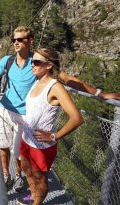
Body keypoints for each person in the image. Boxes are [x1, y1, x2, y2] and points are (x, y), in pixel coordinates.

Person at [0, 26, 120, 192]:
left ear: (30, 41)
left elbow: (67, 79)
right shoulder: (8, 60)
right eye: (14, 40)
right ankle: (6, 174)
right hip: (5, 107)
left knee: (16, 150)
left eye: (20, 39)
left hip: (25, 114)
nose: (16, 43)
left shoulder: (38, 62)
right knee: (3, 146)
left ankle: (17, 175)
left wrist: (100, 94)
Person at [17, 48, 84, 204]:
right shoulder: (37, 81)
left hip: (41, 146)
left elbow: (77, 118)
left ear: (49, 65)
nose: (32, 65)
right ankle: (33, 196)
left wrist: (54, 136)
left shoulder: (55, 87)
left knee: (40, 180)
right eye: (31, 61)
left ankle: (36, 201)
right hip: (27, 139)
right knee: (27, 170)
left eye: (37, 62)